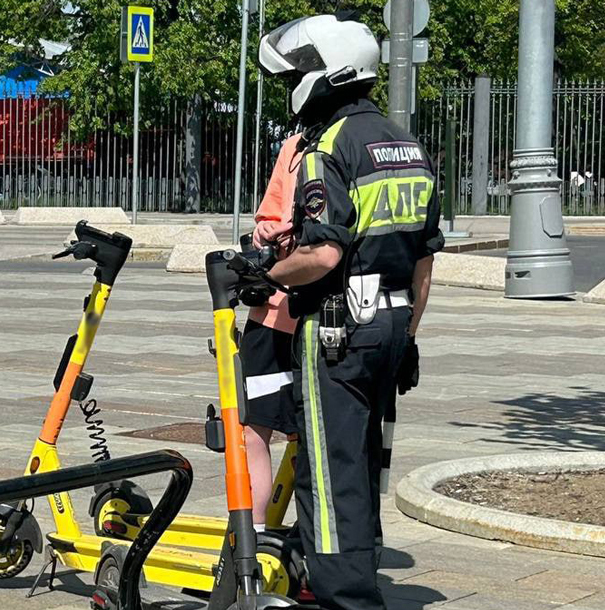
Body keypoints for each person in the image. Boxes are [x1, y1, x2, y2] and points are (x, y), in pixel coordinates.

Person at [257, 13, 442, 610]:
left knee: (329, 465)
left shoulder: (329, 147)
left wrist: (262, 274)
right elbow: (423, 262)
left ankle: (345, 595)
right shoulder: (406, 145)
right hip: (392, 324)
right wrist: (406, 332)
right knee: (363, 460)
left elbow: (320, 252)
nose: (292, 90)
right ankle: (358, 573)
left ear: (326, 74)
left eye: (296, 77)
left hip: (337, 327)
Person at [241, 133, 301, 533]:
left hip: (306, 317)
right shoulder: (293, 146)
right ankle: (256, 536)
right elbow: (269, 214)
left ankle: (263, 539)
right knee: (253, 428)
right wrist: (266, 231)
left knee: (263, 429)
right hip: (274, 313)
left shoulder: (344, 145)